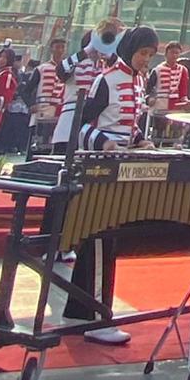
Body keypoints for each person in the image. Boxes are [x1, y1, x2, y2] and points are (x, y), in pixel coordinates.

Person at [67, 25, 159, 345]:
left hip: (122, 167)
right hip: (99, 168)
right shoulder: (105, 79)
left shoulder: (138, 81)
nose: (147, 60)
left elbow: (127, 124)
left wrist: (140, 140)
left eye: (150, 54)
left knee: (107, 239)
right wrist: (104, 143)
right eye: (143, 53)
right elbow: (82, 125)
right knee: (99, 240)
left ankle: (80, 310)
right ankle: (96, 317)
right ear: (129, 49)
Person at [28, 37, 67, 154]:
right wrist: (31, 105)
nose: (60, 50)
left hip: (59, 112)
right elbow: (26, 89)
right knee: (37, 143)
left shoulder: (68, 69)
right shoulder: (42, 69)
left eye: (62, 47)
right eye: (57, 47)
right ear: (51, 49)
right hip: (42, 111)